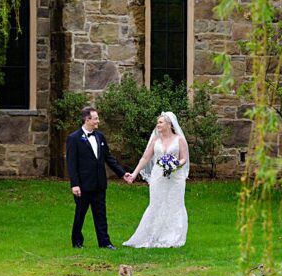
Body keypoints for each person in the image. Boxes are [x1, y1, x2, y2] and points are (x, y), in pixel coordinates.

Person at [122, 112, 190, 248]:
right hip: (158, 176)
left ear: (169, 124)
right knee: (157, 204)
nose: (157, 125)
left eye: (160, 122)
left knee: (174, 204)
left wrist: (175, 164)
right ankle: (154, 235)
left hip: (176, 178)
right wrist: (134, 174)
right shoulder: (155, 140)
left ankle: (173, 236)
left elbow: (184, 158)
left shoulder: (179, 139)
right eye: (157, 123)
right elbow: (145, 158)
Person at [66, 106, 129, 250]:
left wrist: (122, 173)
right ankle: (76, 241)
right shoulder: (74, 138)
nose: (97, 121)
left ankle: (105, 242)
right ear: (87, 120)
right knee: (80, 214)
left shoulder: (100, 136)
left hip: (99, 183)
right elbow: (71, 164)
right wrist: (75, 184)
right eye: (95, 119)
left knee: (101, 215)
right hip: (83, 185)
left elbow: (108, 157)